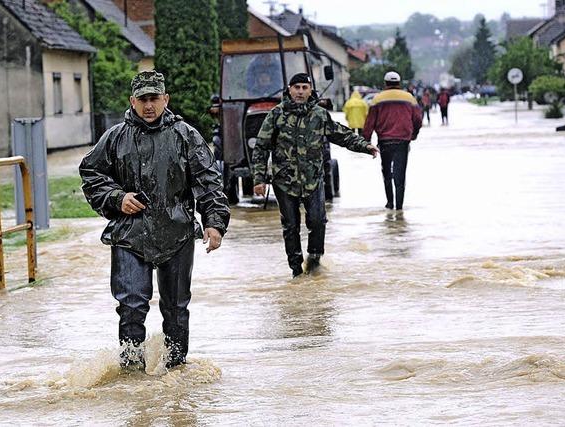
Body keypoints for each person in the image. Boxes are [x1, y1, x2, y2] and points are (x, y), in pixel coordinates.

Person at [79, 70, 230, 370]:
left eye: (155, 99)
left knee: (176, 309)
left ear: (165, 99)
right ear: (132, 101)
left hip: (177, 233)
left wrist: (214, 222)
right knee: (132, 307)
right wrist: (116, 198)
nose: (149, 106)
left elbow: (209, 182)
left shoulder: (185, 136)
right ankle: (132, 376)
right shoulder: (115, 137)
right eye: (143, 99)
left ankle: (176, 374)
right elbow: (91, 174)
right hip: (129, 235)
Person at [251, 73, 379, 277]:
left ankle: (315, 259)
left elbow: (341, 134)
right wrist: (259, 179)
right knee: (290, 227)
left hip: (313, 179)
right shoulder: (277, 114)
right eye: (297, 88)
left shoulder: (319, 115)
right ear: (289, 90)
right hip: (284, 181)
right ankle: (296, 271)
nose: (300, 92)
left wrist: (365, 146)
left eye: (304, 87)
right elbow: (261, 147)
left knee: (318, 221)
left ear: (310, 90)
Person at [363, 71, 422, 211]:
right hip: (403, 141)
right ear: (399, 83)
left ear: (385, 83)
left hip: (385, 141)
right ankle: (399, 207)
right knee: (400, 175)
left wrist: (366, 142)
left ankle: (390, 203)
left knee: (387, 173)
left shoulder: (377, 99)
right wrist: (413, 134)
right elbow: (418, 120)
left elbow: (369, 122)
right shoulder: (409, 98)